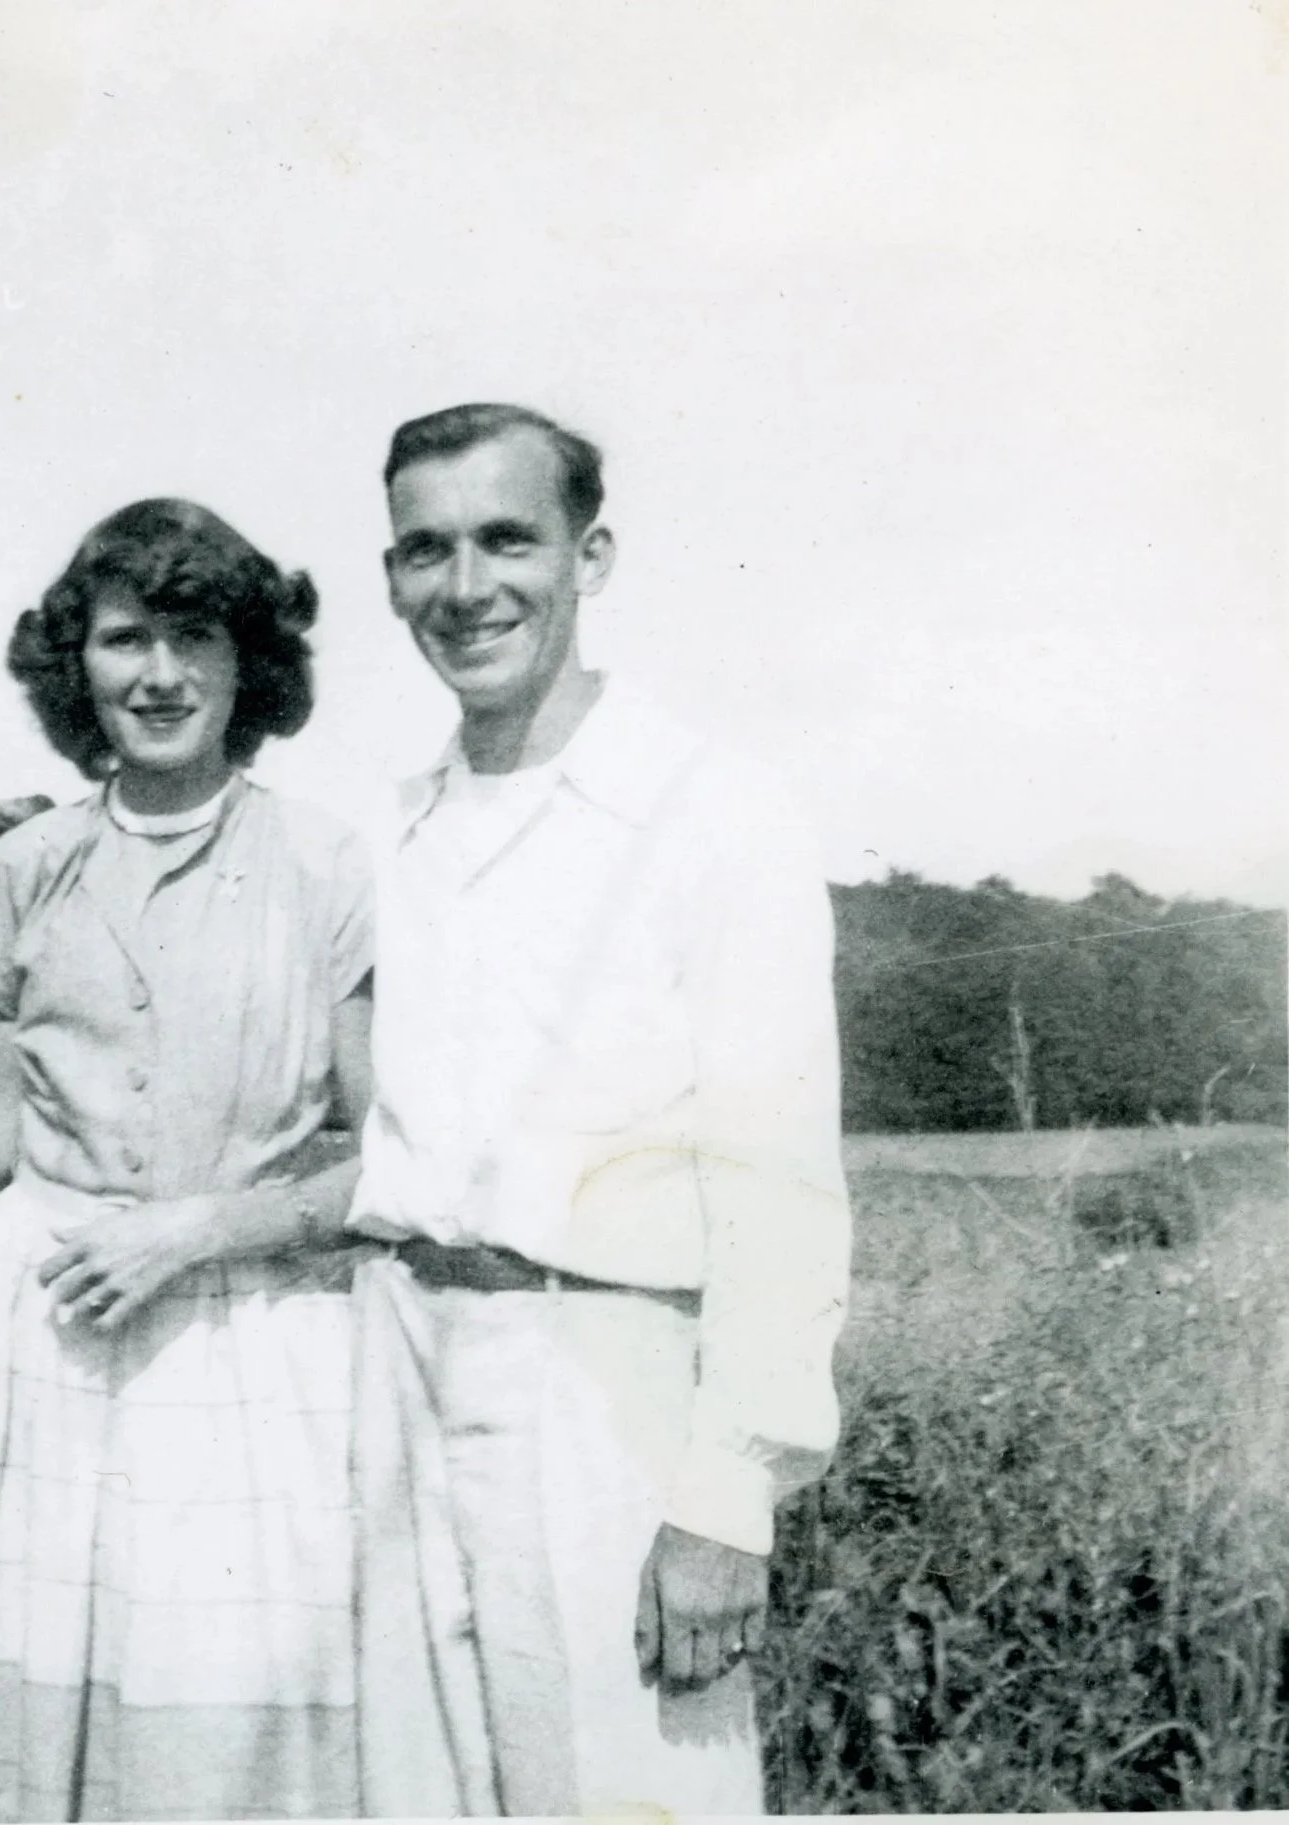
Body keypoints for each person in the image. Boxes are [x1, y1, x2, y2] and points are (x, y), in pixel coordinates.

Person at [345, 403, 852, 1815]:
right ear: (389, 577)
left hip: (601, 1384)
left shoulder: (712, 810)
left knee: (631, 1798)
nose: (465, 588)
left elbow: (779, 1183)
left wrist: (725, 1496)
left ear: (592, 555)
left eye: (508, 539)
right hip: (394, 1369)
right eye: (422, 551)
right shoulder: (389, 828)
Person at [0, 499, 376, 1823]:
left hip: (246, 1352)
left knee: (221, 1747)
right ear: (75, 668)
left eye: (193, 636)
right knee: (27, 1751)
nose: (159, 675)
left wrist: (197, 1230)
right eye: (126, 640)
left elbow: (392, 1167)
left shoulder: (324, 866)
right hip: (54, 1347)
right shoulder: (27, 867)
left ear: (248, 659)